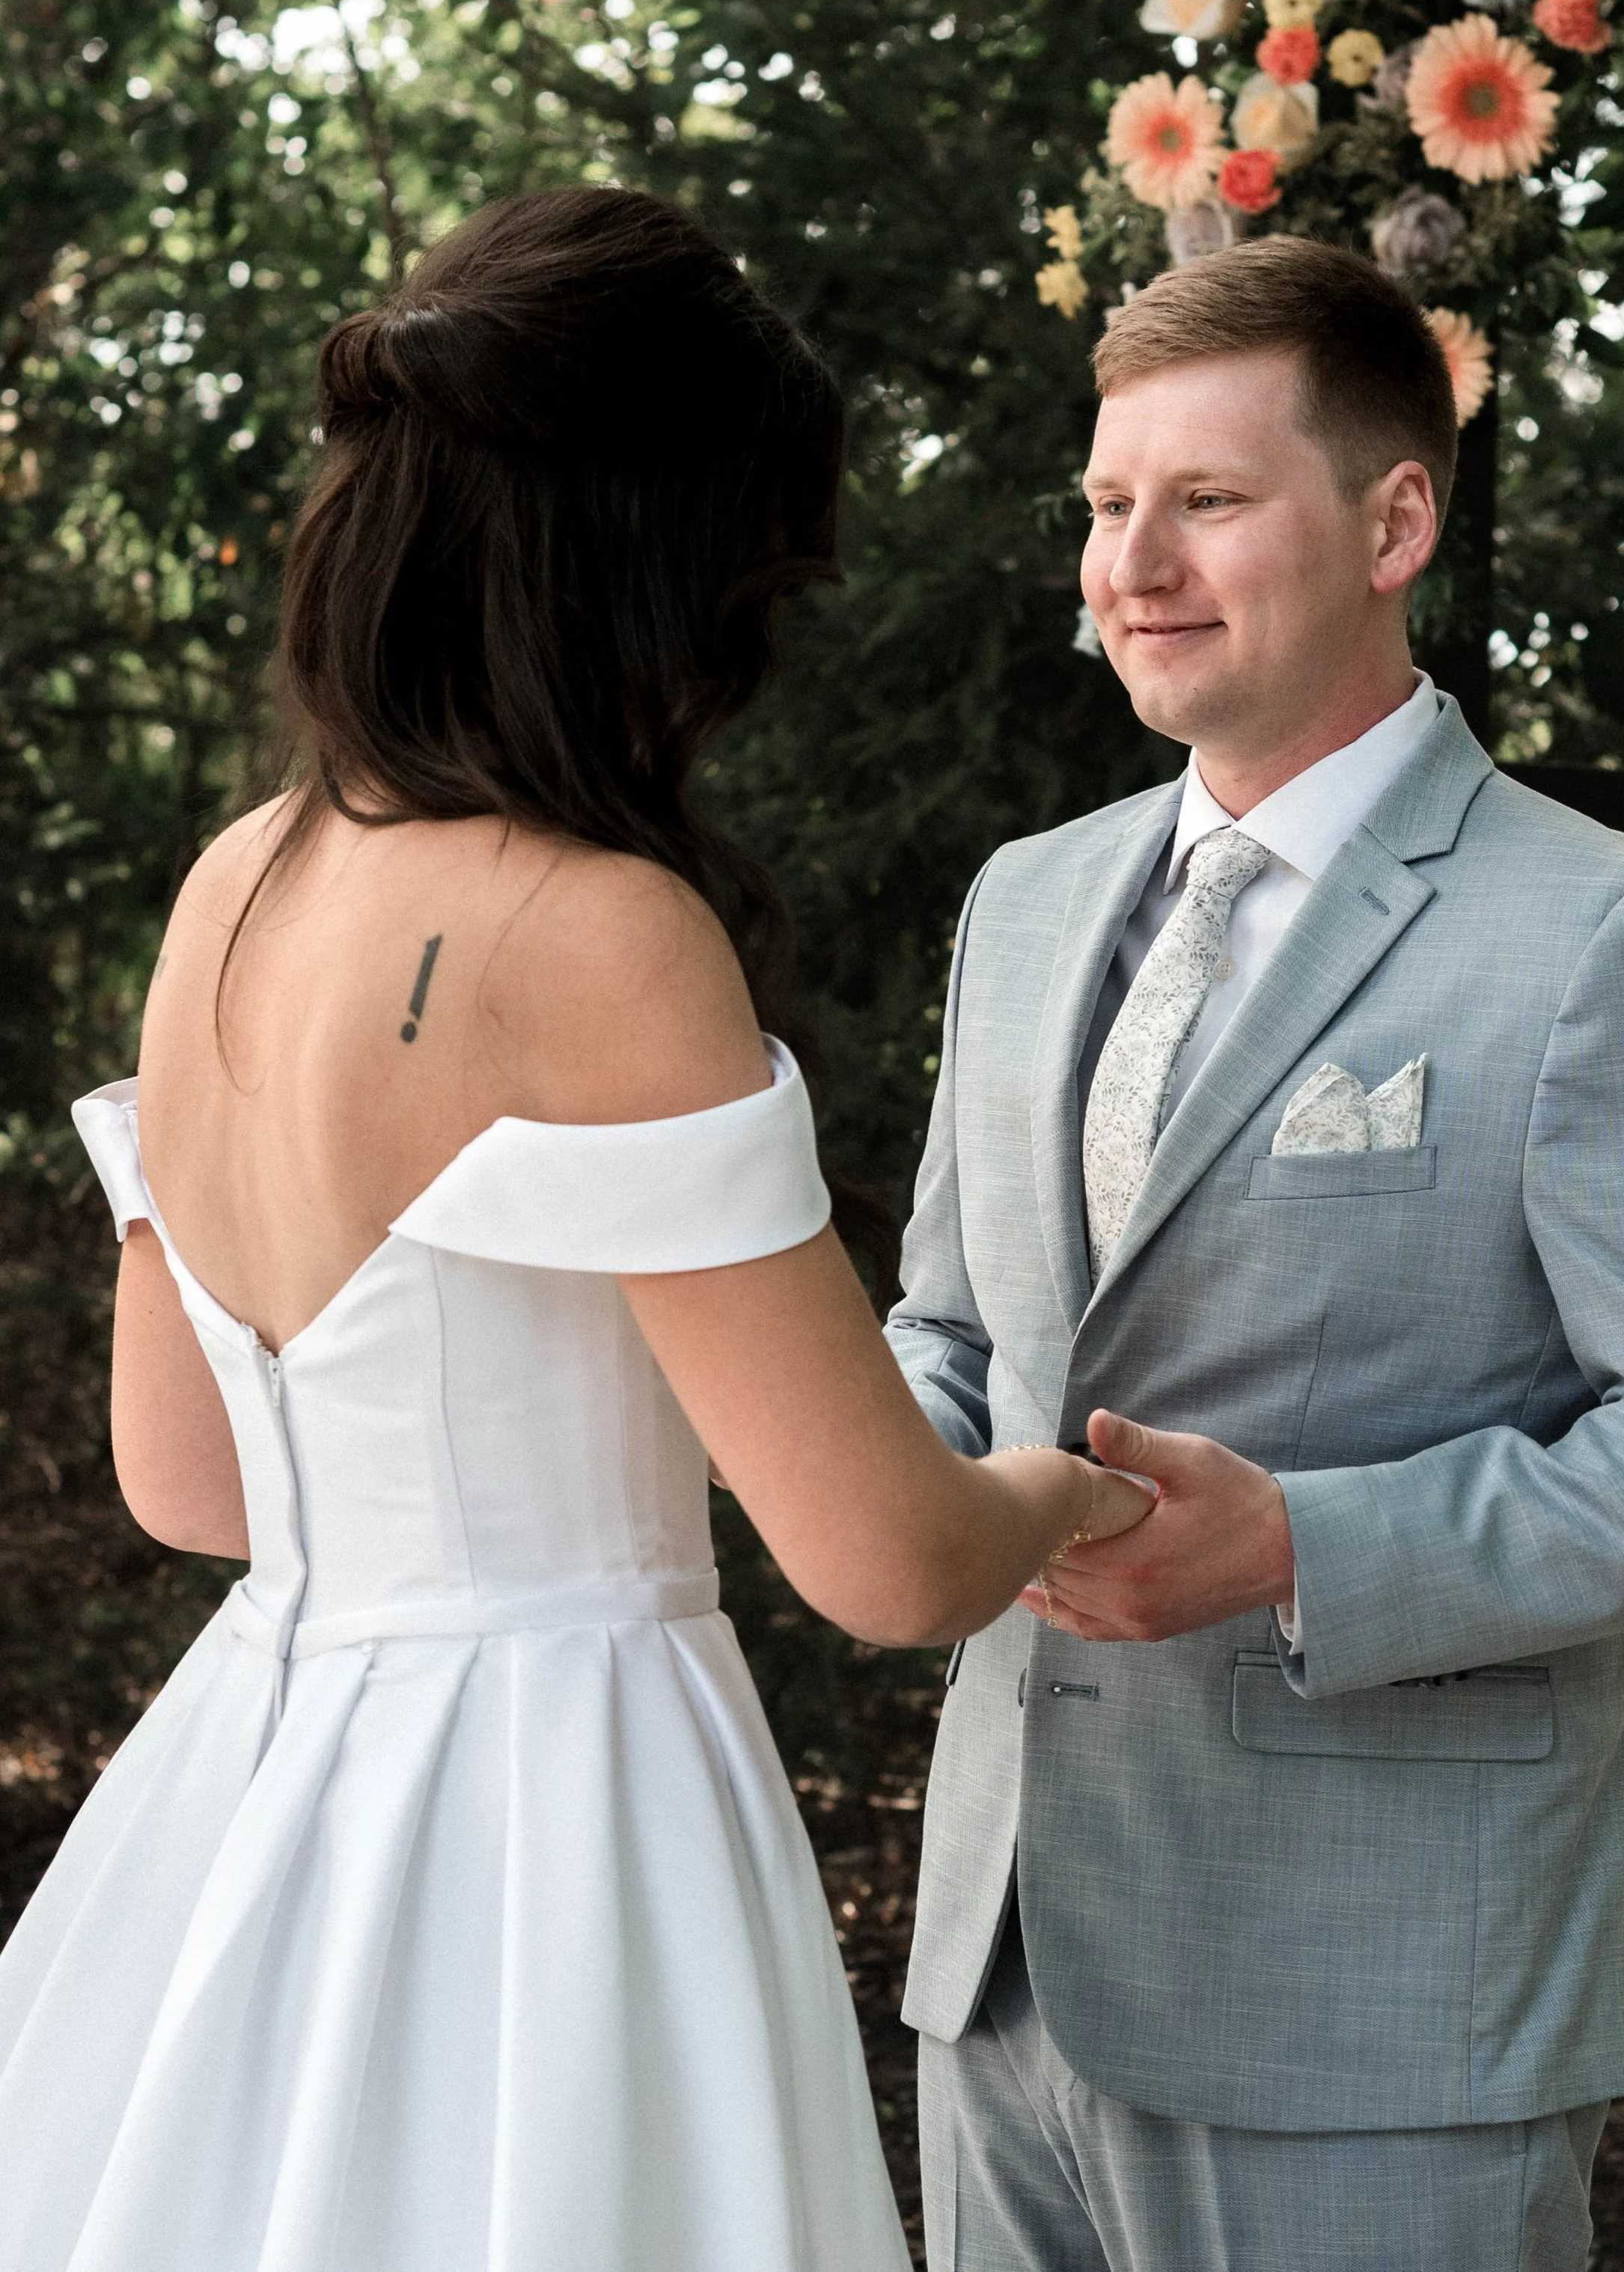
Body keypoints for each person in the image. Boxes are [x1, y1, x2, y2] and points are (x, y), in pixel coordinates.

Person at [0, 186, 1153, 2272]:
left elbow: (186, 1483)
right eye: (756, 583)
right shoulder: (603, 934)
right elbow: (882, 1556)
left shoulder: (230, 887)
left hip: (252, 1796)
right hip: (552, 1820)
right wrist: (1065, 1487)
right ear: (659, 566)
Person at [888, 235, 1624, 2272]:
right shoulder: (1028, 900)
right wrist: (889, 1485)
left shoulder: (1609, 929)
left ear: (1392, 517)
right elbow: (953, 1328)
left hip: (1388, 2009)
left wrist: (1298, 1543)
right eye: (1103, 503)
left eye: (1208, 500)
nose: (1130, 560)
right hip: (1001, 1972)